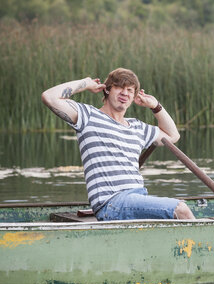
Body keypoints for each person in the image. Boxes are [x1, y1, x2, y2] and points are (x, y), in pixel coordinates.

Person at [41, 67, 196, 221]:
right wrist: (85, 83)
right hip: (111, 203)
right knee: (181, 209)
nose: (125, 93)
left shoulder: (137, 127)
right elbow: (49, 97)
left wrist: (155, 106)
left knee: (176, 210)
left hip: (137, 197)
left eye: (130, 90)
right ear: (107, 90)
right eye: (119, 87)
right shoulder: (88, 116)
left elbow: (172, 135)